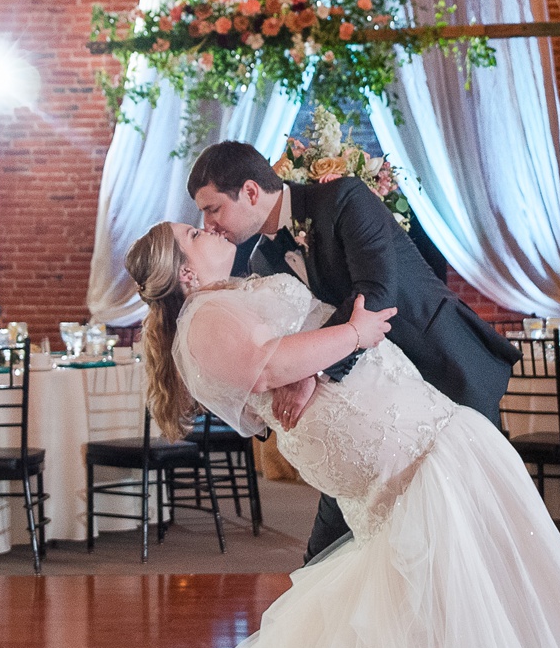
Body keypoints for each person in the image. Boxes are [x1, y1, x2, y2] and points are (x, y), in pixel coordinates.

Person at [126, 220, 560, 648]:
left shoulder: (233, 292)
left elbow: (287, 351)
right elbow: (266, 366)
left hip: (390, 417)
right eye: (192, 231)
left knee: (427, 567)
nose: (206, 227)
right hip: (375, 436)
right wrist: (354, 334)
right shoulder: (202, 322)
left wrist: (313, 366)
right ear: (185, 271)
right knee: (426, 559)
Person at [187, 140, 521, 562]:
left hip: (441, 367)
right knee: (326, 554)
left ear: (251, 192)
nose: (208, 223)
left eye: (212, 208)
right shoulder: (262, 262)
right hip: (370, 413)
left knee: (475, 524)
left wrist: (312, 373)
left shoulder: (342, 198)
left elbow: (377, 295)